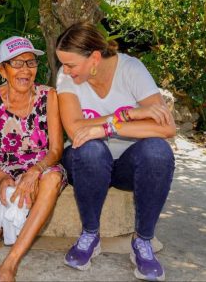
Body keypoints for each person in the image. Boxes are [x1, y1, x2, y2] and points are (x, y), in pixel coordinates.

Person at [56, 22, 176, 281]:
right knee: (90, 148)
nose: (65, 70)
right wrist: (128, 115)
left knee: (158, 151)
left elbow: (166, 128)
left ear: (95, 58)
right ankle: (90, 234)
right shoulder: (66, 78)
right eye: (62, 64)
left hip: (125, 166)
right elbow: (74, 128)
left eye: (71, 64)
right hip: (84, 163)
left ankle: (143, 241)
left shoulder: (131, 69)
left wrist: (105, 129)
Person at [0, 36, 66, 282]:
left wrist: (35, 171)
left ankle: (9, 264)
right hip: (6, 169)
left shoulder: (48, 96)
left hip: (44, 165)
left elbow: (55, 150)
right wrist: (1, 177)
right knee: (15, 185)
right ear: (2, 70)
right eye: (17, 64)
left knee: (52, 178)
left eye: (31, 63)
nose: (26, 70)